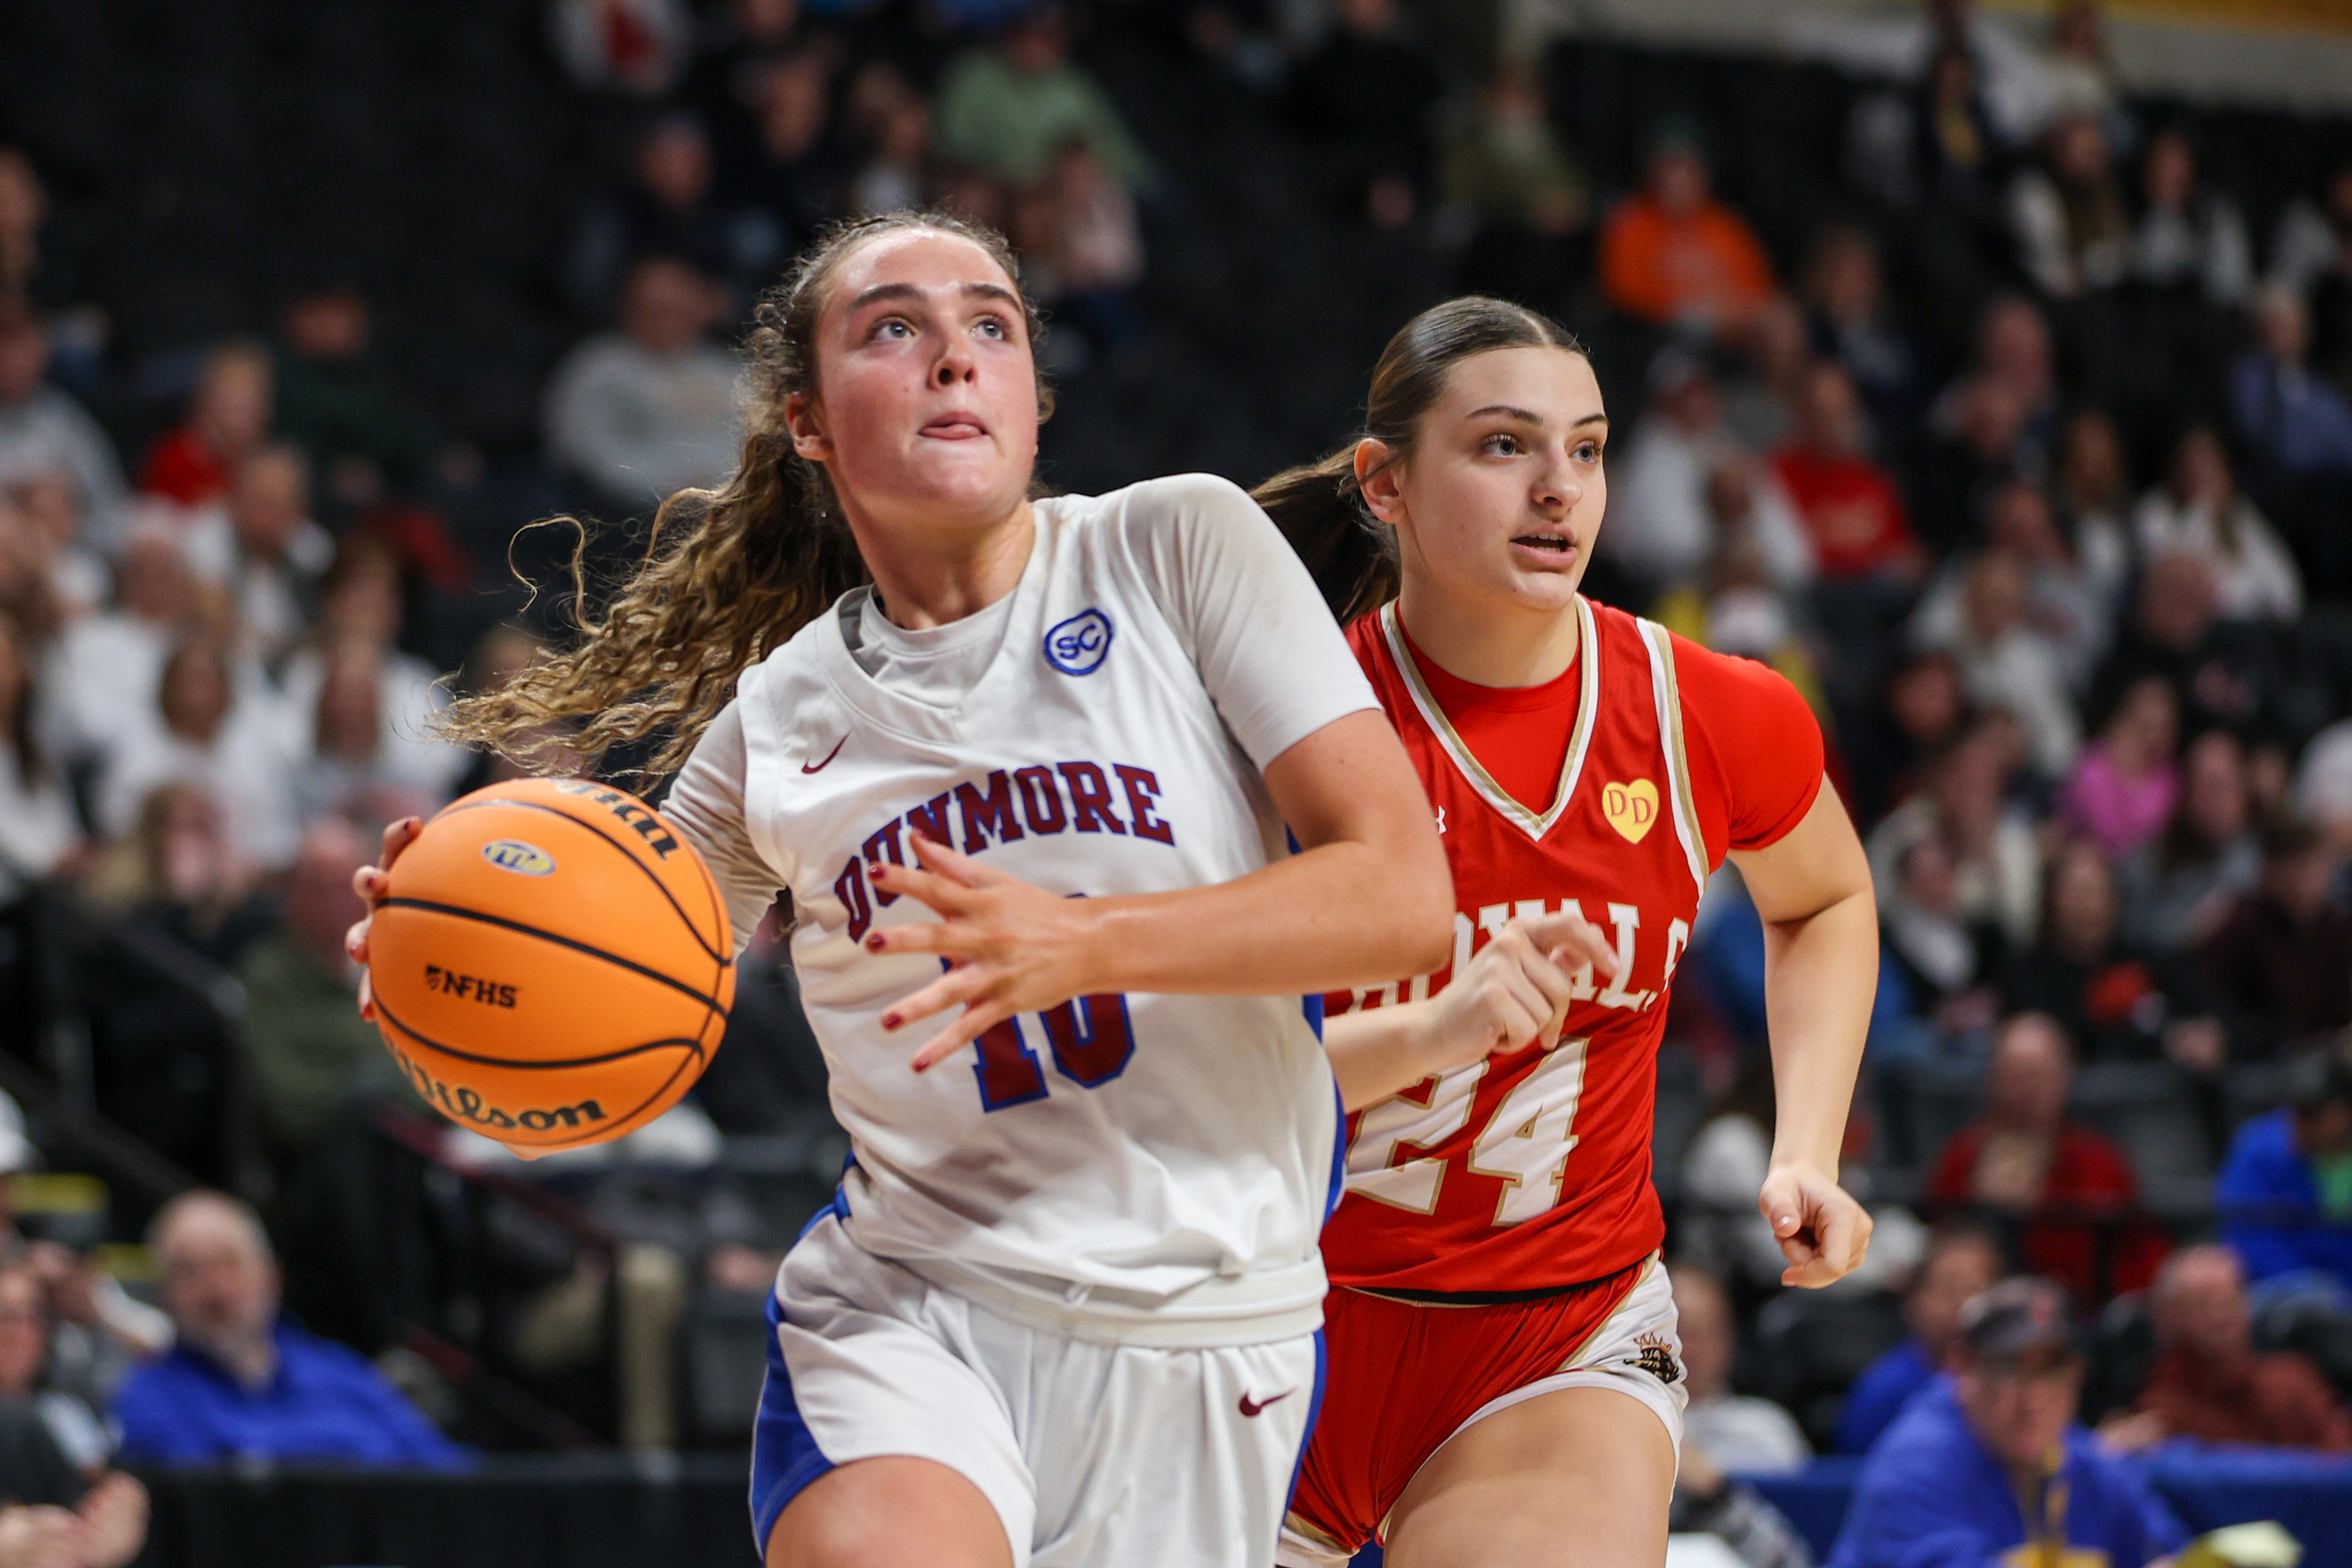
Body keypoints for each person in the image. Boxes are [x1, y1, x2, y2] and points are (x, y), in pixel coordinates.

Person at [357, 211, 1453, 1568]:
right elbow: (607, 1000)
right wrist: (456, 959)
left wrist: (1088, 940)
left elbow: (1403, 897)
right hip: (918, 1308)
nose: (952, 356)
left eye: (990, 326)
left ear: (1033, 408)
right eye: (896, 327)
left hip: (1215, 1333)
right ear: (810, 423)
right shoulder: (779, 718)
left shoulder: (1177, 548)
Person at [1254, 296, 1877, 1568]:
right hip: (1268, 1313)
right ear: (1385, 485)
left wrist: (1807, 1146)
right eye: (1504, 447)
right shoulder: (1280, 730)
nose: (1558, 489)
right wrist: (1435, 1028)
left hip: (1552, 1331)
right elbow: (1193, 1083)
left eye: (1587, 450)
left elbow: (1821, 898)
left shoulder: (1708, 710)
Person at [1828, 1277, 2185, 1567]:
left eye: (2053, 1370)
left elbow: (2163, 1545)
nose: (2034, 1399)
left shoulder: (2081, 1458)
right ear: (1962, 1369)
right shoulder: (1915, 1465)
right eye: (2011, 1370)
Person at [113, 1190, 466, 1468]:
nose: (216, 1289)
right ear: (163, 1294)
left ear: (271, 1276)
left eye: (229, 1264)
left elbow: (449, 1475)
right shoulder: (149, 1401)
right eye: (189, 1271)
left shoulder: (341, 1370)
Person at [1926, 1011, 2165, 1300]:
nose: (2028, 1090)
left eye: (2039, 1075)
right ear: (1993, 1079)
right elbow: (1933, 1248)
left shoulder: (2099, 1160)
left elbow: (2141, 1263)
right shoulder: (1963, 1156)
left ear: (2064, 1076)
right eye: (2015, 1076)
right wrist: (1981, 1209)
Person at [543, 253, 746, 517]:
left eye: (677, 310)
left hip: (728, 511)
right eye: (655, 310)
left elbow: (753, 445)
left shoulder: (728, 369)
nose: (666, 321)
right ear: (629, 306)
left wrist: (721, 489)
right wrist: (676, 491)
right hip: (629, 517)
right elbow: (588, 457)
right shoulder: (598, 369)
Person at [2104, 1243, 2352, 1451]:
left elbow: (2340, 1459)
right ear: (2167, 1317)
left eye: (2229, 1301)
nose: (2219, 1316)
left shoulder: (2294, 1381)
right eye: (2201, 1304)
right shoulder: (2161, 1410)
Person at [1836, 1220, 2005, 1454]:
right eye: (1949, 1289)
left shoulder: (2017, 1384)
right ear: (1914, 1301)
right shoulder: (1887, 1390)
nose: (1964, 1304)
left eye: (1975, 1289)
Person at [1599, 118, 1777, 338]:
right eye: (1671, 167)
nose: (1679, 178)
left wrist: (1726, 313)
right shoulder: (1631, 225)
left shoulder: (1726, 226)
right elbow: (1625, 298)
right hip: (1661, 343)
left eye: (1688, 166)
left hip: (1734, 340)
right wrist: (1688, 310)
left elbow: (1758, 293)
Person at [2198, 815, 2352, 1058]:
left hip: (2329, 1062)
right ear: (2271, 871)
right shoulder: (2243, 928)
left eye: (2315, 866)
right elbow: (2216, 1008)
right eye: (2296, 867)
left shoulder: (2338, 928)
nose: (2306, 881)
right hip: (2261, 1062)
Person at [2216, 1049, 2352, 1293]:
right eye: (2296, 1112)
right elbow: (2250, 1242)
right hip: (2292, 1293)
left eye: (2313, 1115)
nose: (2300, 1125)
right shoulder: (2258, 1150)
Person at [2118, 729, 2260, 957]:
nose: (2206, 798)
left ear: (2243, 788)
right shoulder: (2157, 851)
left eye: (2218, 786)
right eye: (2197, 784)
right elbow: (2135, 930)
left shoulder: (2262, 858)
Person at [0, 303, 124, 550]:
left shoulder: (65, 420)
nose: (14, 358)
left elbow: (111, 507)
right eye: (5, 346)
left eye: (23, 345)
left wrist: (68, 523)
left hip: (67, 554)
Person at [1671, 1262, 1812, 1474]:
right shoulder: (1621, 1426)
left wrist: (1713, 1494)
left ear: (1729, 1338)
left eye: (1702, 1334)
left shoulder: (1767, 1429)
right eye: (1678, 1334)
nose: (1690, 1351)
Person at [135, 341, 273, 512]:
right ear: (205, 402)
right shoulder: (173, 461)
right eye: (229, 405)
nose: (236, 420)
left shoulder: (271, 471)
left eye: (247, 406)